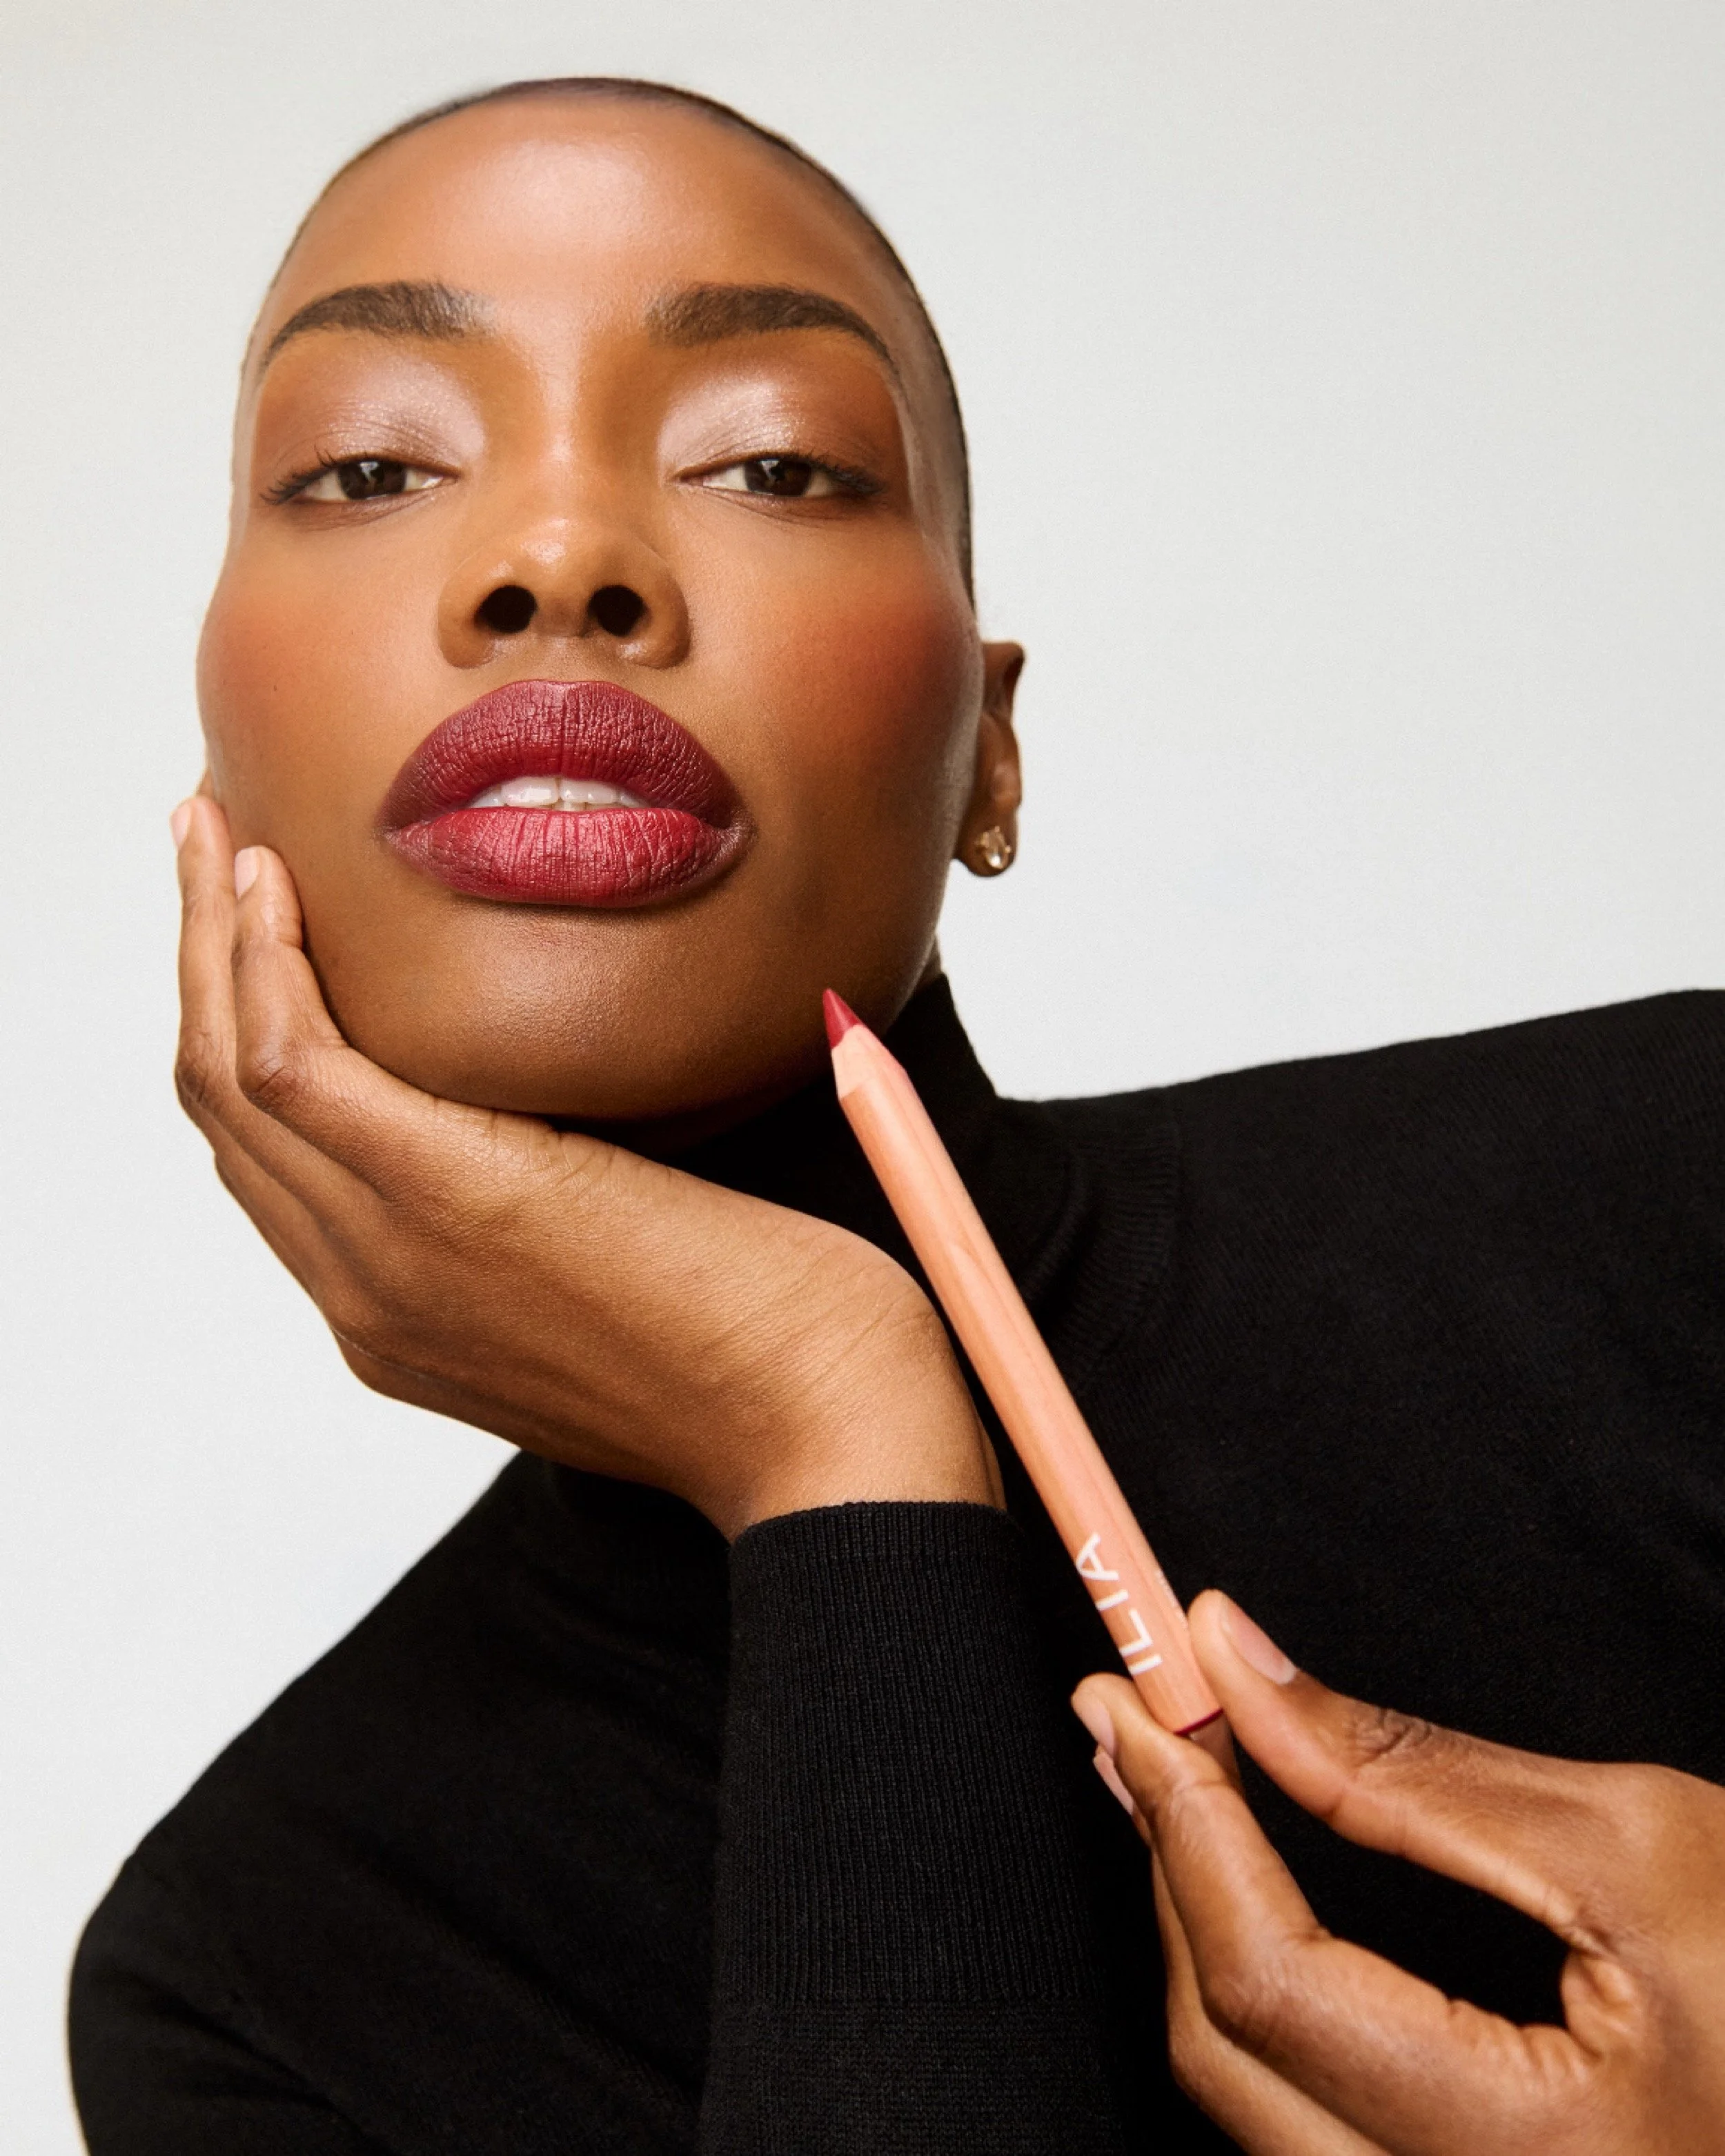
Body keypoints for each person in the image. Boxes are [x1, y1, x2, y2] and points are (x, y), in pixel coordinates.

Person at [70, 77, 1725, 2155]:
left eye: (771, 459)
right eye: (368, 466)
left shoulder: (1673, 1185)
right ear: (217, 758)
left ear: (990, 756)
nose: (559, 559)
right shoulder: (261, 1988)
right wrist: (830, 1426)